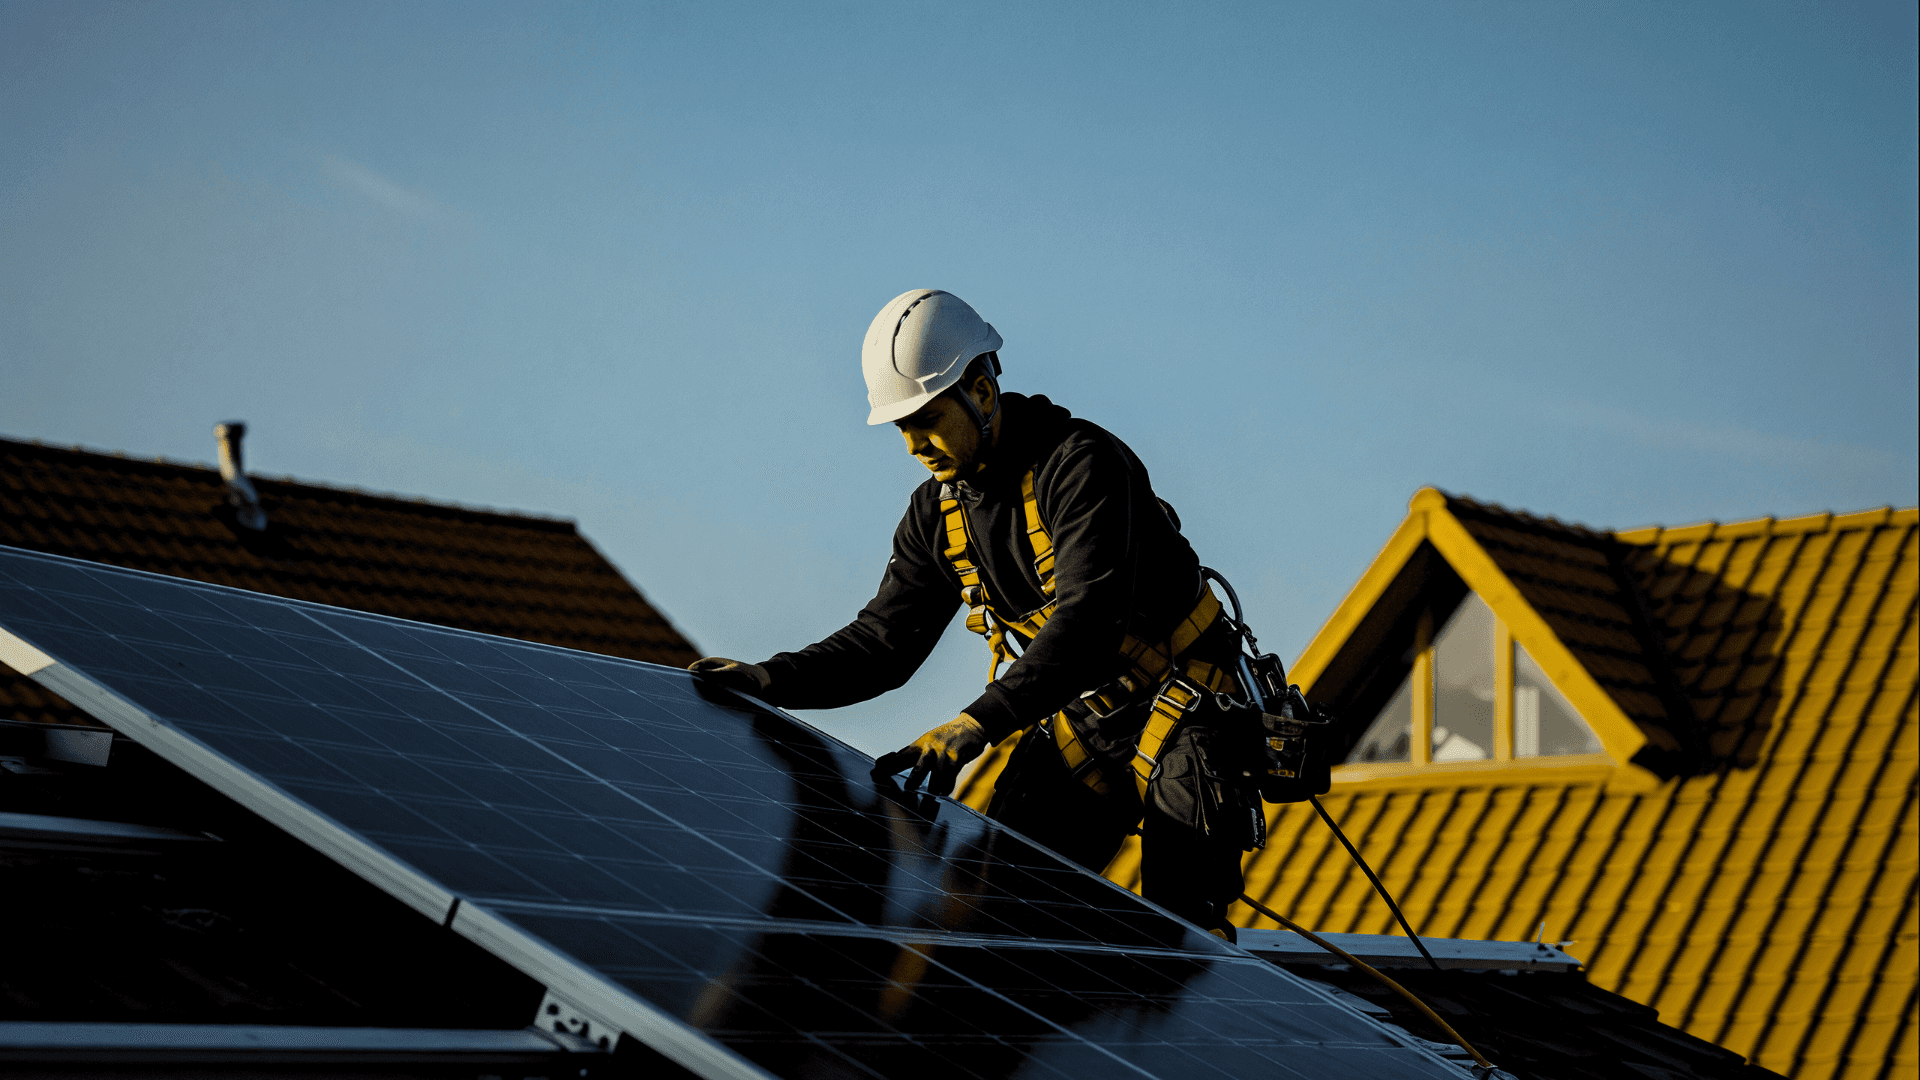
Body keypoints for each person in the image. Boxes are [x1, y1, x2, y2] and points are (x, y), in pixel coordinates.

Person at [691, 288, 1259, 936]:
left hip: (1190, 708)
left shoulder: (1080, 466)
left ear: (981, 391)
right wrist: (771, 680)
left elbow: (1088, 619)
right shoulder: (937, 516)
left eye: (927, 418)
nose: (914, 445)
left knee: (1180, 927)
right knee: (994, 908)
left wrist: (973, 726)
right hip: (1085, 722)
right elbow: (884, 640)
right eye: (902, 427)